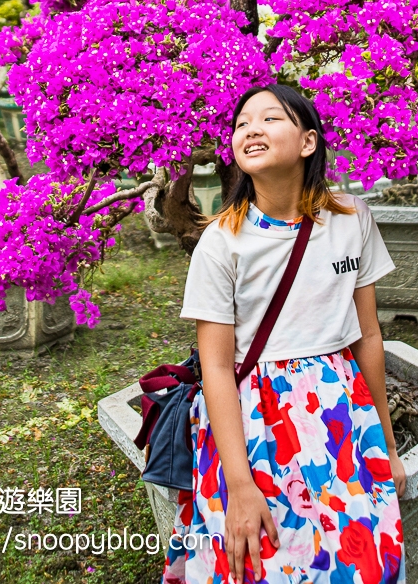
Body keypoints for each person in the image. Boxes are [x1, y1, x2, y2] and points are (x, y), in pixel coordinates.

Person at [161, 84, 405, 584]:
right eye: (242, 123)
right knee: (264, 561)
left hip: (343, 416)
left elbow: (369, 336)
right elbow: (215, 367)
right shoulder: (221, 242)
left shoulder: (352, 219)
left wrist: (387, 444)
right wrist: (239, 485)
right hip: (255, 422)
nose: (250, 129)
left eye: (270, 119)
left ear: (308, 142)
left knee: (361, 560)